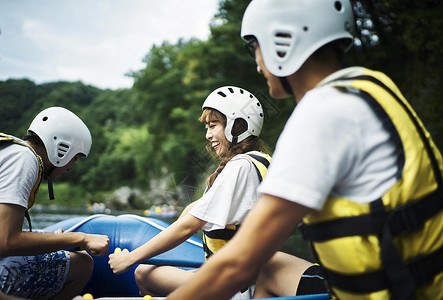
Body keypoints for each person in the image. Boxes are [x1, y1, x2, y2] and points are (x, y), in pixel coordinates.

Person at [167, 0, 443, 299]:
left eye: (256, 47)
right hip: (422, 286)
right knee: (267, 269)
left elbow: (238, 264)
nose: (258, 63)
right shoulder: (373, 85)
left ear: (283, 41)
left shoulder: (321, 113)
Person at [109, 86, 279, 299]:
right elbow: (194, 210)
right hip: (245, 277)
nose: (208, 135)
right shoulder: (261, 161)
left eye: (213, 126)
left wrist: (130, 258)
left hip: (235, 286)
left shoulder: (239, 166)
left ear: (237, 126)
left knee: (143, 273)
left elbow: (190, 224)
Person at [0, 107, 110, 300]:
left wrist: (50, 239)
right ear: (62, 149)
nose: (70, 168)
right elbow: (6, 241)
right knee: (83, 264)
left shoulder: (9, 151)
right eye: (75, 158)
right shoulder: (24, 159)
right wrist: (81, 238)